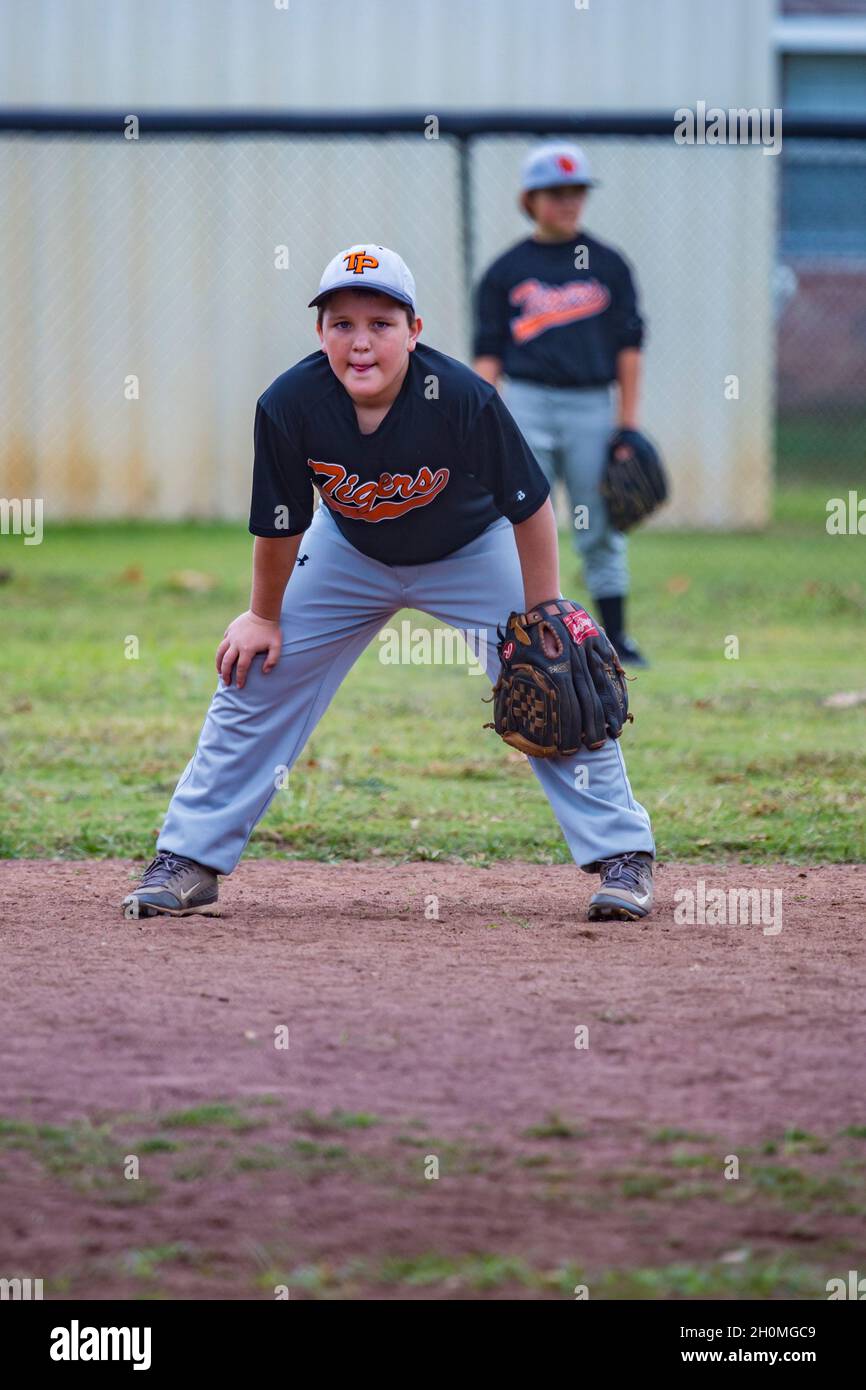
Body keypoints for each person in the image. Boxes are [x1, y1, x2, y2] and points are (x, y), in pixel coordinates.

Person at [121, 244, 655, 923]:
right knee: (255, 671)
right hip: (348, 550)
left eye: (381, 323)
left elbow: (529, 506)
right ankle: (189, 859)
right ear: (320, 335)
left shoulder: (460, 395)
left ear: (414, 331)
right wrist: (263, 615)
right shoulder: (290, 403)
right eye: (342, 324)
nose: (361, 342)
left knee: (556, 676)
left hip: (472, 547)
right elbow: (282, 524)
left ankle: (623, 857)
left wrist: (544, 610)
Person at [473, 141, 649, 666]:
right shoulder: (507, 269)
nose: (568, 201)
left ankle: (617, 636)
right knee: (518, 516)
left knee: (600, 522)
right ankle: (523, 634)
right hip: (525, 402)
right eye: (556, 192)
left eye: (576, 191)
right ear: (529, 198)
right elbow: (488, 354)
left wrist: (629, 424)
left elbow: (630, 347)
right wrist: (485, 420)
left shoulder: (609, 264)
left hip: (593, 405)